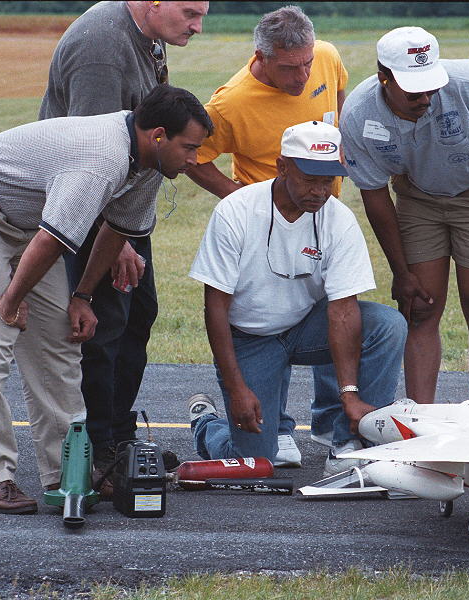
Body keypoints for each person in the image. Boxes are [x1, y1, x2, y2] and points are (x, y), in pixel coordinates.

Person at [0, 84, 213, 514]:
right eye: (190, 148)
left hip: (27, 225)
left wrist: (81, 295)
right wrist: (10, 300)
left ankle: (68, 474)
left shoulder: (149, 164)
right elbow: (52, 240)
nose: (194, 160)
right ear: (158, 136)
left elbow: (117, 229)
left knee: (60, 344)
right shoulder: (103, 160)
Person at [39, 0, 209, 476]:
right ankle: (95, 452)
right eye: (190, 13)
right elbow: (89, 155)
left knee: (137, 315)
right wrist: (120, 244)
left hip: (124, 205)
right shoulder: (102, 47)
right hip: (89, 209)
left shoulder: (148, 36)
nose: (198, 26)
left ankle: (117, 434)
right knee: (103, 327)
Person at [187, 121, 406, 475]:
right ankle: (206, 425)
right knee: (256, 463)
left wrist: (349, 394)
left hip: (305, 327)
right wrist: (236, 387)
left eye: (328, 181)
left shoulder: (338, 219)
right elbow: (215, 306)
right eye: (310, 179)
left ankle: (350, 444)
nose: (320, 192)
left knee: (387, 325)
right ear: (282, 167)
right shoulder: (236, 211)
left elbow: (343, 311)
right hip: (250, 338)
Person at [340, 26, 469, 407]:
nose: (426, 98)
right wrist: (400, 272)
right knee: (420, 308)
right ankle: (422, 420)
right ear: (384, 78)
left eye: (431, 87)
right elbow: (375, 196)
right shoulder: (358, 114)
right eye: (414, 92)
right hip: (417, 196)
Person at [185, 5, 349, 465]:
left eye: (307, 63)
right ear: (261, 56)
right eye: (290, 68)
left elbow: (338, 98)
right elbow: (194, 155)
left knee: (338, 309)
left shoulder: (327, 56)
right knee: (276, 324)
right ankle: (232, 425)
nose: (303, 76)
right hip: (267, 232)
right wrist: (236, 196)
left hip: (324, 218)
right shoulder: (230, 103)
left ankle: (334, 422)